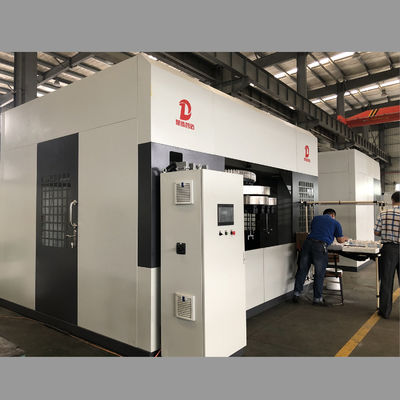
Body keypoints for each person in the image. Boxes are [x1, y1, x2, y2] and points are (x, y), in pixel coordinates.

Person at [293, 209, 348, 306]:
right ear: (333, 215)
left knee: (302, 270)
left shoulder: (316, 219)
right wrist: (345, 239)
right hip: (319, 247)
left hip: (307, 244)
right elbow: (339, 240)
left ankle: (296, 294)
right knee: (319, 273)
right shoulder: (335, 222)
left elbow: (317, 232)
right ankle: (317, 299)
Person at [374, 191, 400, 319]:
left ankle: (384, 311)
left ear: (392, 200)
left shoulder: (383, 213)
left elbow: (376, 232)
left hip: (388, 249)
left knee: (386, 280)